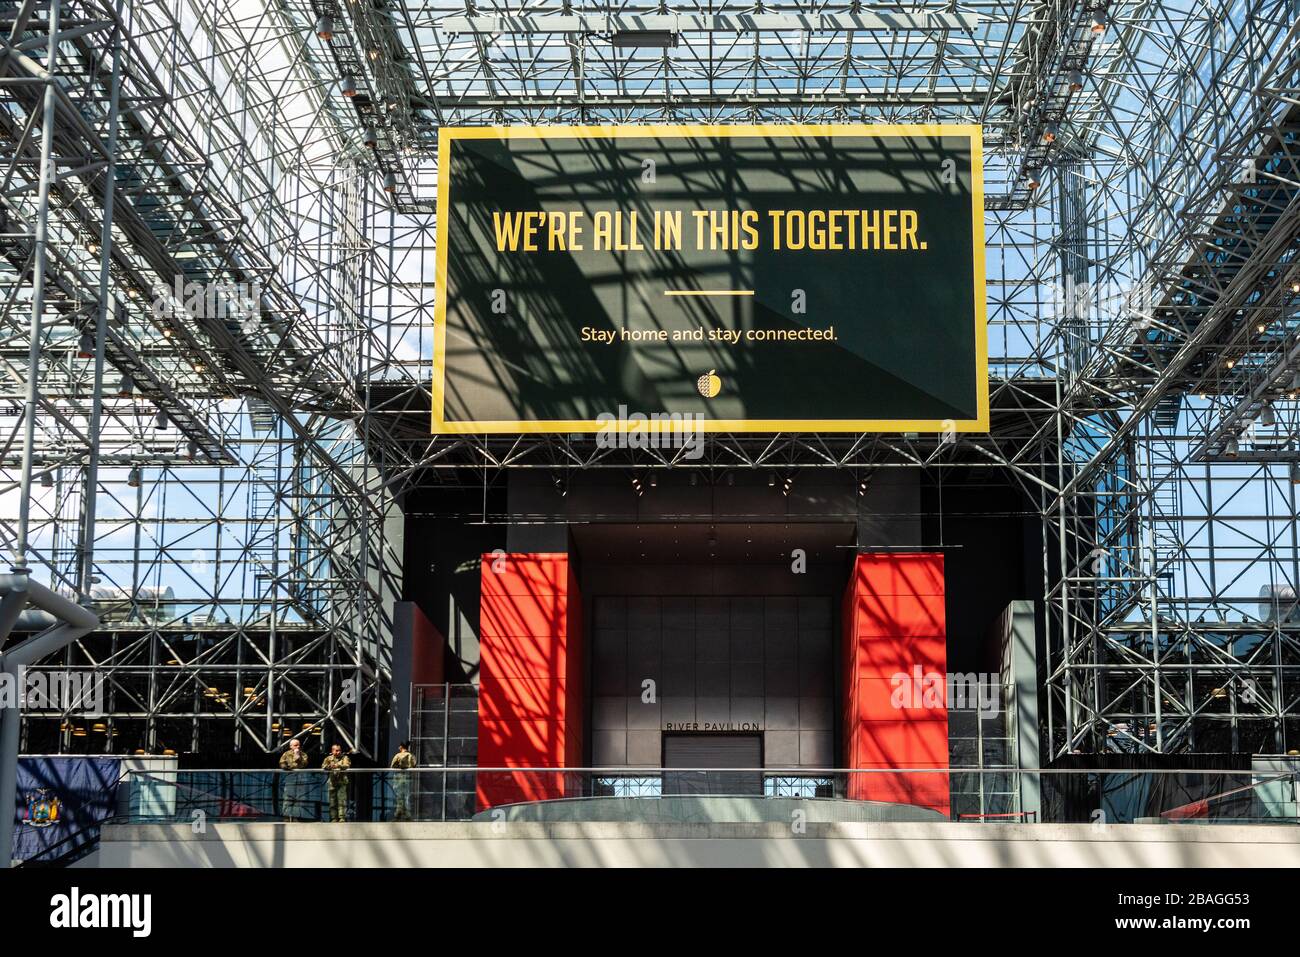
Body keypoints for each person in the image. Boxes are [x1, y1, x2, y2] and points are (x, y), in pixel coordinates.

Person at [278, 738, 310, 820]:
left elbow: (304, 764)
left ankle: (296, 816)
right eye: (296, 745)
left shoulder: (303, 755)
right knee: (288, 797)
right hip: (290, 779)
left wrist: (297, 756)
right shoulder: (286, 754)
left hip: (301, 779)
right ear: (291, 746)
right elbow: (282, 763)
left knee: (299, 798)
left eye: (299, 745)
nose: (298, 747)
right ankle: (286, 816)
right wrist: (285, 766)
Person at [321, 743, 351, 823]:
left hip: (342, 781)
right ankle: (333, 817)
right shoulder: (328, 758)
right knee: (332, 801)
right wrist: (329, 767)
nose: (338, 752)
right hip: (332, 782)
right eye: (336, 750)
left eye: (339, 750)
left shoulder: (344, 757)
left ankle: (342, 817)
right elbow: (323, 766)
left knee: (342, 800)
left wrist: (337, 765)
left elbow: (347, 765)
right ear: (332, 751)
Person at [389, 742, 417, 822]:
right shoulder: (411, 755)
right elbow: (413, 765)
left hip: (399, 777)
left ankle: (400, 815)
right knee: (405, 796)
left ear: (401, 747)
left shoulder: (398, 755)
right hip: (407, 777)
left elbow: (393, 765)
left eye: (399, 746)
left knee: (400, 796)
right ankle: (405, 815)